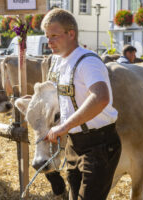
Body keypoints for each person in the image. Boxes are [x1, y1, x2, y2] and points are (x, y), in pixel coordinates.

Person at [42, 8, 121, 200]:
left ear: (71, 34)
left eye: (54, 36)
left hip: (99, 145)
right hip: (74, 144)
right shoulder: (59, 62)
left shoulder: (88, 61)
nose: (49, 42)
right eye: (47, 37)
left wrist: (65, 126)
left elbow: (100, 98)